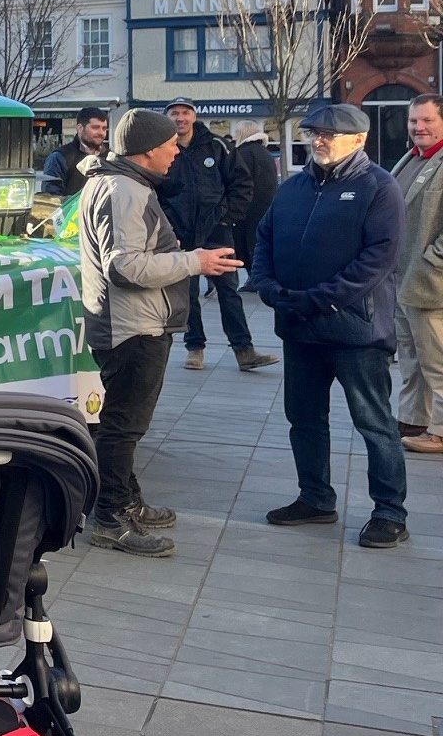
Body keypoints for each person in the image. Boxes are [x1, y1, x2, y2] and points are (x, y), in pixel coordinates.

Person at [77, 109, 242, 557]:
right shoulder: (125, 189)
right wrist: (195, 262)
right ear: (148, 149)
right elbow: (125, 266)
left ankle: (126, 502)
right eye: (171, 144)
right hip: (134, 325)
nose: (176, 150)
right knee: (123, 426)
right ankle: (111, 517)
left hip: (131, 321)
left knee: (123, 422)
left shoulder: (116, 182)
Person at [248, 103, 410, 549]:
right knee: (304, 419)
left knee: (374, 424)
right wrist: (266, 285)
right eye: (315, 132)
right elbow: (264, 237)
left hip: (356, 333)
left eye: (330, 134)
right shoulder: (293, 187)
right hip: (300, 329)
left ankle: (389, 512)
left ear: (359, 140)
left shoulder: (379, 187)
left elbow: (377, 260)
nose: (319, 140)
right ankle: (316, 499)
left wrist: (316, 299)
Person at [161, 96, 279, 371]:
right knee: (188, 294)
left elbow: (242, 184)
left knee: (229, 292)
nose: (180, 118)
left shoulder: (218, 146)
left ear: (194, 116)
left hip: (217, 231)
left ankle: (244, 350)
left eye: (185, 113)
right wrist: (167, 224)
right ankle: (195, 348)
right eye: (175, 113)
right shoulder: (163, 149)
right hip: (181, 234)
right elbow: (156, 189)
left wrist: (227, 218)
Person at [394, 94, 443, 454]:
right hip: (401, 277)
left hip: (431, 281)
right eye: (414, 121)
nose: (419, 127)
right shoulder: (412, 157)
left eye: (427, 120)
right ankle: (414, 419)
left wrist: (433, 262)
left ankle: (440, 430)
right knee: (411, 356)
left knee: (437, 359)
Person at [230, 122, 280, 272]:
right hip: (265, 204)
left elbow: (238, 182)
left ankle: (254, 275)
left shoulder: (243, 154)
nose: (233, 136)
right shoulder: (265, 152)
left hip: (247, 207)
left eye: (236, 132)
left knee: (246, 243)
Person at [40, 107, 109, 197]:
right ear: (80, 128)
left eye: (104, 128)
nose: (101, 133)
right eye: (95, 127)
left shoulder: (110, 158)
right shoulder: (59, 157)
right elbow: (51, 199)